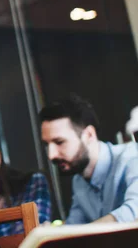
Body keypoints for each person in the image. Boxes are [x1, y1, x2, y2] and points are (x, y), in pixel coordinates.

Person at [40, 94, 138, 224]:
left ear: (89, 135)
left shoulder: (132, 157)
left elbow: (133, 212)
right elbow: (74, 226)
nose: (51, 155)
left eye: (59, 142)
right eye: (47, 145)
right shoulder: (79, 180)